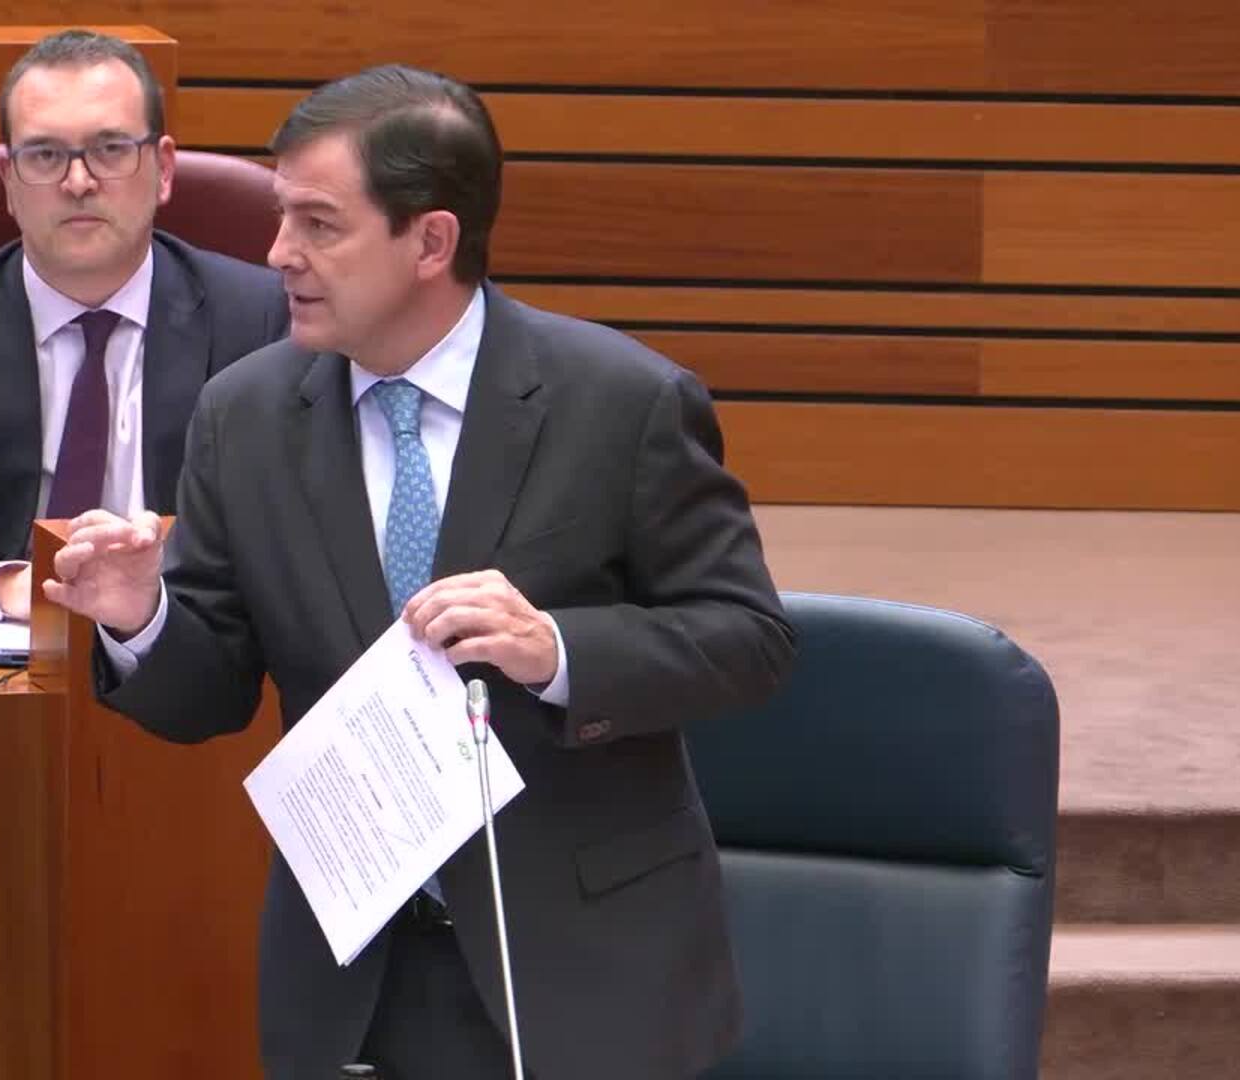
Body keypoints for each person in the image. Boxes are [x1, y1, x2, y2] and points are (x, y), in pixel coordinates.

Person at [44, 67, 798, 1080]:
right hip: (356, 978)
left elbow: (749, 640)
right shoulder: (246, 415)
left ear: (431, 241)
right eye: (282, 217)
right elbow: (209, 694)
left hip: (583, 965)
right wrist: (142, 619)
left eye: (320, 224)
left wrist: (558, 651)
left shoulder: (621, 403)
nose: (279, 253)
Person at [0, 29, 287, 623]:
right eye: (46, 155)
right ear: (9, 180)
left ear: (163, 169)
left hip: (188, 648)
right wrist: (7, 586)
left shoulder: (259, 318)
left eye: (110, 149)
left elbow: (280, 533)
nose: (78, 182)